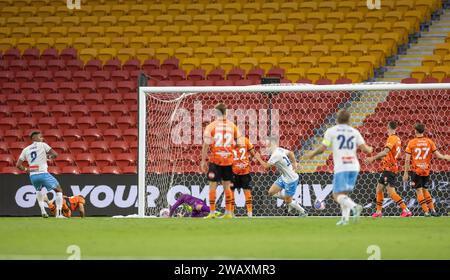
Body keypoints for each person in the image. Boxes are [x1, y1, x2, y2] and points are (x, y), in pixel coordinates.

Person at [306, 109, 373, 225]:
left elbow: (323, 148)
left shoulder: (331, 131)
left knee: (336, 194)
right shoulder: (354, 131)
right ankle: (345, 219)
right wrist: (370, 149)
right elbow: (365, 149)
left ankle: (354, 206)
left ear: (337, 119)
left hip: (342, 165)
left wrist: (312, 154)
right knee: (344, 194)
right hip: (354, 166)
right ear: (349, 120)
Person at [201, 102, 242, 219]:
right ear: (226, 112)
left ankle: (212, 213)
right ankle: (228, 213)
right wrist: (229, 149)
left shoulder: (211, 126)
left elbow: (206, 144)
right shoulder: (233, 126)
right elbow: (240, 143)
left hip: (215, 161)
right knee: (227, 186)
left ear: (216, 112)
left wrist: (203, 160)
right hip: (228, 161)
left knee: (212, 186)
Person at [365, 121, 412, 218]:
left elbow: (386, 152)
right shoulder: (398, 139)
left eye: (387, 128)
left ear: (389, 128)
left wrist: (372, 158)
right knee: (379, 189)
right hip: (389, 167)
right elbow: (390, 154)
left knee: (391, 192)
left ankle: (406, 210)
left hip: (390, 168)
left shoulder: (392, 138)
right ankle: (378, 212)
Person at [403, 123, 450, 217]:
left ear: (415, 131)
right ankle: (433, 210)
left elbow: (407, 159)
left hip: (416, 171)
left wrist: (406, 173)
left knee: (419, 191)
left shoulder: (411, 142)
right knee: (425, 190)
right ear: (423, 131)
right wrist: (446, 157)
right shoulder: (429, 141)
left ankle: (426, 212)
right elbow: (439, 156)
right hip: (426, 170)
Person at [16, 131, 65, 218]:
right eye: (40, 137)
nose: (42, 138)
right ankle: (59, 214)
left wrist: (26, 169)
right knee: (59, 190)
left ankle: (43, 211)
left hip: (33, 176)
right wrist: (48, 157)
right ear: (34, 138)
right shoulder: (43, 145)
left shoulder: (26, 149)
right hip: (43, 173)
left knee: (39, 191)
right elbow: (55, 154)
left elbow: (18, 165)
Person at [256, 136, 307, 217]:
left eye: (267, 145)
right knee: (271, 193)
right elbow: (291, 153)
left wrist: (258, 158)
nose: (266, 147)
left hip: (291, 180)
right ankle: (290, 201)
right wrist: (294, 163)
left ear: (272, 144)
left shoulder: (275, 155)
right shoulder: (279, 149)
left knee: (288, 202)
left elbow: (266, 166)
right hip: (284, 177)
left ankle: (303, 212)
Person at [230, 136, 263, 217]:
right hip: (244, 171)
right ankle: (249, 213)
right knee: (246, 192)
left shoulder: (228, 142)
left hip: (234, 171)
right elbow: (253, 155)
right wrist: (249, 159)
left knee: (232, 192)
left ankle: (231, 213)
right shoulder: (245, 140)